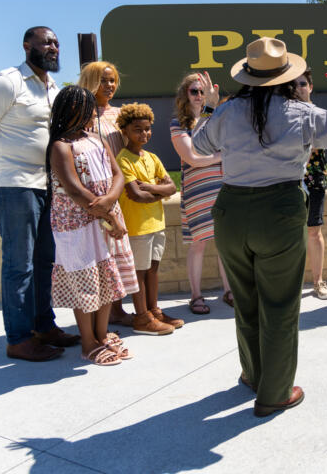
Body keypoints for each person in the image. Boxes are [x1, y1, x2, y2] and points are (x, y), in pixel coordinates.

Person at [191, 37, 327, 417]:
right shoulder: (301, 112)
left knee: (246, 301)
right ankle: (275, 393)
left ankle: (253, 375)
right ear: (288, 76)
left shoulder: (228, 111)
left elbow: (199, 147)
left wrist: (208, 108)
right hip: (280, 211)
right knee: (281, 305)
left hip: (231, 212)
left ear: (249, 75)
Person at [0, 26, 79, 362]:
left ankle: (44, 327)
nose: (54, 47)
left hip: (45, 186)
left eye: (57, 42)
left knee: (44, 262)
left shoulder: (52, 87)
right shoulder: (8, 82)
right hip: (15, 186)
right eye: (47, 42)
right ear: (28, 46)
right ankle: (18, 339)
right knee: (19, 265)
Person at [47, 85, 133, 366]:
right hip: (76, 224)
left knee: (105, 279)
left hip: (104, 218)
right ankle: (87, 343)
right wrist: (108, 214)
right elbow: (74, 190)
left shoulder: (97, 140)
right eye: (84, 109)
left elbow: (117, 173)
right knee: (84, 282)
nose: (89, 114)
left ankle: (101, 333)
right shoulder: (61, 146)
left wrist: (109, 200)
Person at [115, 102, 184, 335]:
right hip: (137, 226)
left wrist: (151, 188)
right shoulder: (123, 159)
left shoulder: (152, 157)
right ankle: (142, 318)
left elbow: (172, 187)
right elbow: (135, 195)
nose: (143, 133)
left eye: (147, 129)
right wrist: (158, 190)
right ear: (124, 130)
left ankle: (154, 311)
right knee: (139, 272)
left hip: (157, 223)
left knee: (153, 269)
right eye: (137, 129)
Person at [169, 74, 234, 315]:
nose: (199, 96)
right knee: (198, 244)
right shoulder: (178, 123)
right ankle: (196, 295)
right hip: (197, 190)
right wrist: (221, 156)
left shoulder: (217, 118)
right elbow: (193, 158)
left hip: (224, 186)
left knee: (226, 242)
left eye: (202, 92)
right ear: (185, 95)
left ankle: (229, 291)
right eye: (194, 91)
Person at [77, 60, 132, 326]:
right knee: (99, 252)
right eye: (103, 80)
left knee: (117, 252)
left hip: (120, 188)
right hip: (93, 193)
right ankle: (100, 314)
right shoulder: (81, 115)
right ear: (90, 82)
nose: (109, 85)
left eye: (112, 80)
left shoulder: (122, 114)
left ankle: (117, 309)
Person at [296, 70, 327, 300]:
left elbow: (319, 142)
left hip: (314, 177)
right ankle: (291, 284)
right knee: (289, 234)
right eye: (293, 85)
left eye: (302, 84)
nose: (298, 88)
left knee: (314, 230)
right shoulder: (284, 114)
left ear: (310, 86)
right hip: (288, 180)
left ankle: (318, 282)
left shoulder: (319, 115)